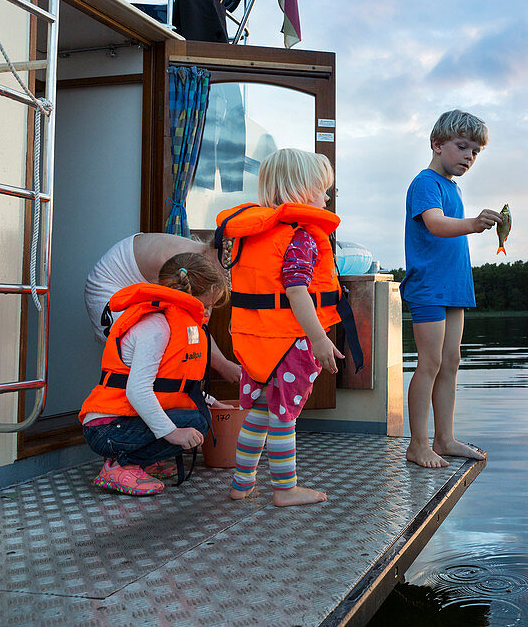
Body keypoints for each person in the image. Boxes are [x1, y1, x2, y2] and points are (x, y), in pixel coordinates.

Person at [217, 148, 345, 507]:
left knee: (259, 412)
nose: (326, 196)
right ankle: (285, 489)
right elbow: (296, 289)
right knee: (283, 416)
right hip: (290, 342)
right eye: (323, 189)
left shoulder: (252, 233)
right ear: (303, 190)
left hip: (255, 341)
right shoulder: (301, 236)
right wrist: (319, 339)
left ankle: (242, 484)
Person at [78, 253, 230, 496]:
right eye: (208, 305)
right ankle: (121, 465)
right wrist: (173, 433)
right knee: (195, 423)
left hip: (125, 422)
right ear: (189, 297)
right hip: (107, 428)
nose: (208, 313)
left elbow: (173, 386)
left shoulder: (174, 324)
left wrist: (211, 402)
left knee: (199, 415)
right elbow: (137, 391)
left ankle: (144, 461)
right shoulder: (155, 328)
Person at [402, 110, 500, 468]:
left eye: (475, 151)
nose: (469, 157)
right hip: (429, 287)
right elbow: (436, 224)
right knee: (428, 362)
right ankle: (417, 444)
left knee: (451, 362)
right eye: (462, 147)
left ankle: (444, 439)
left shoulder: (453, 187)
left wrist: (474, 223)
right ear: (437, 144)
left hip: (455, 286)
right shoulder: (426, 183)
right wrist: (473, 224)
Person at [84, 232, 242, 384]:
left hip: (138, 288)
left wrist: (223, 363)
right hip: (109, 289)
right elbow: (189, 329)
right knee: (157, 345)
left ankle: (191, 400)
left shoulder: (204, 262)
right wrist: (223, 365)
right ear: (222, 247)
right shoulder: (180, 264)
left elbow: (200, 328)